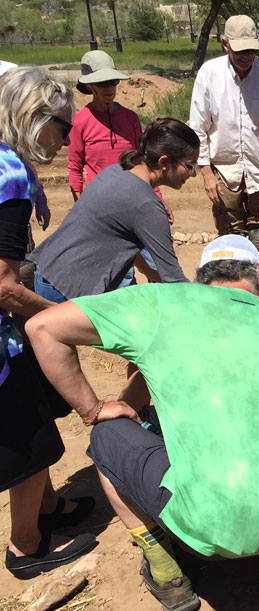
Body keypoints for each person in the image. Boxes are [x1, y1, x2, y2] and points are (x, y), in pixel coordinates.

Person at [25, 235, 259, 609]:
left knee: (107, 434)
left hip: (210, 528)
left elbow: (43, 328)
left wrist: (92, 410)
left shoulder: (161, 303)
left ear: (201, 278)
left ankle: (165, 572)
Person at [0, 66, 96, 580]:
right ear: (35, 119)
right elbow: (2, 285)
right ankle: (28, 545)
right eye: (62, 126)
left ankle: (49, 507)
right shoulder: (9, 177)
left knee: (37, 424)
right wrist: (59, 317)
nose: (67, 137)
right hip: (4, 340)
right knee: (31, 438)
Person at [189, 14, 259, 295]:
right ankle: (232, 300)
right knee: (230, 242)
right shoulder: (209, 74)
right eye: (240, 51)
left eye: (251, 50)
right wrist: (205, 172)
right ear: (225, 44)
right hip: (223, 173)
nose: (246, 56)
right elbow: (198, 126)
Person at [29, 118, 194, 302]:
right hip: (68, 290)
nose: (192, 174)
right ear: (164, 162)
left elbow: (119, 235)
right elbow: (176, 280)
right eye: (189, 166)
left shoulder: (117, 171)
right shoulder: (147, 205)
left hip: (48, 273)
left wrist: (148, 271)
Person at [68, 50, 170, 286]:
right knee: (120, 274)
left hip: (137, 202)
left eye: (112, 81)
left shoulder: (131, 118)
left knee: (158, 264)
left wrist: (158, 198)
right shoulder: (81, 121)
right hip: (103, 209)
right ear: (90, 86)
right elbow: (75, 167)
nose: (108, 87)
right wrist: (82, 207)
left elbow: (144, 162)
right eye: (101, 82)